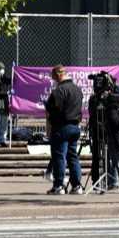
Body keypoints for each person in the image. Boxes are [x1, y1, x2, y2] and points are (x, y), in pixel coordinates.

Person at [44, 65, 84, 195]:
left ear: (58, 75)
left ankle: (59, 186)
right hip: (75, 127)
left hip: (61, 127)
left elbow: (54, 110)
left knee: (59, 156)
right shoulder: (77, 90)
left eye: (54, 78)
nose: (54, 81)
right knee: (73, 156)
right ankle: (77, 186)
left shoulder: (59, 91)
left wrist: (50, 123)